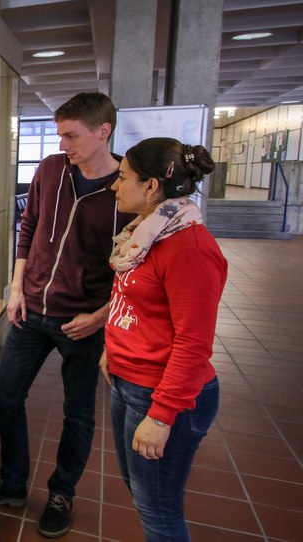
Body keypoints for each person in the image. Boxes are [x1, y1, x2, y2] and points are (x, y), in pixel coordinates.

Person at [0, 92, 135, 538]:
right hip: (31, 308)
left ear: (103, 132)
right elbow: (30, 226)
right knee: (6, 396)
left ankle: (62, 493)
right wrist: (17, 287)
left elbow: (134, 269)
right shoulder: (52, 169)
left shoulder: (124, 191)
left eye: (72, 135)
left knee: (77, 413)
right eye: (60, 135)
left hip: (83, 321)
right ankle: (13, 483)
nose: (63, 145)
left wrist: (98, 318)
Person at [100, 137, 227, 541]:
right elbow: (131, 299)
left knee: (159, 509)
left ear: (151, 186)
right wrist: (112, 349)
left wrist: (161, 415)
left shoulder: (188, 248)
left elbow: (194, 343)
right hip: (129, 380)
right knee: (141, 493)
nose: (114, 186)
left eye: (122, 178)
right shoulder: (145, 234)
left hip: (159, 394)